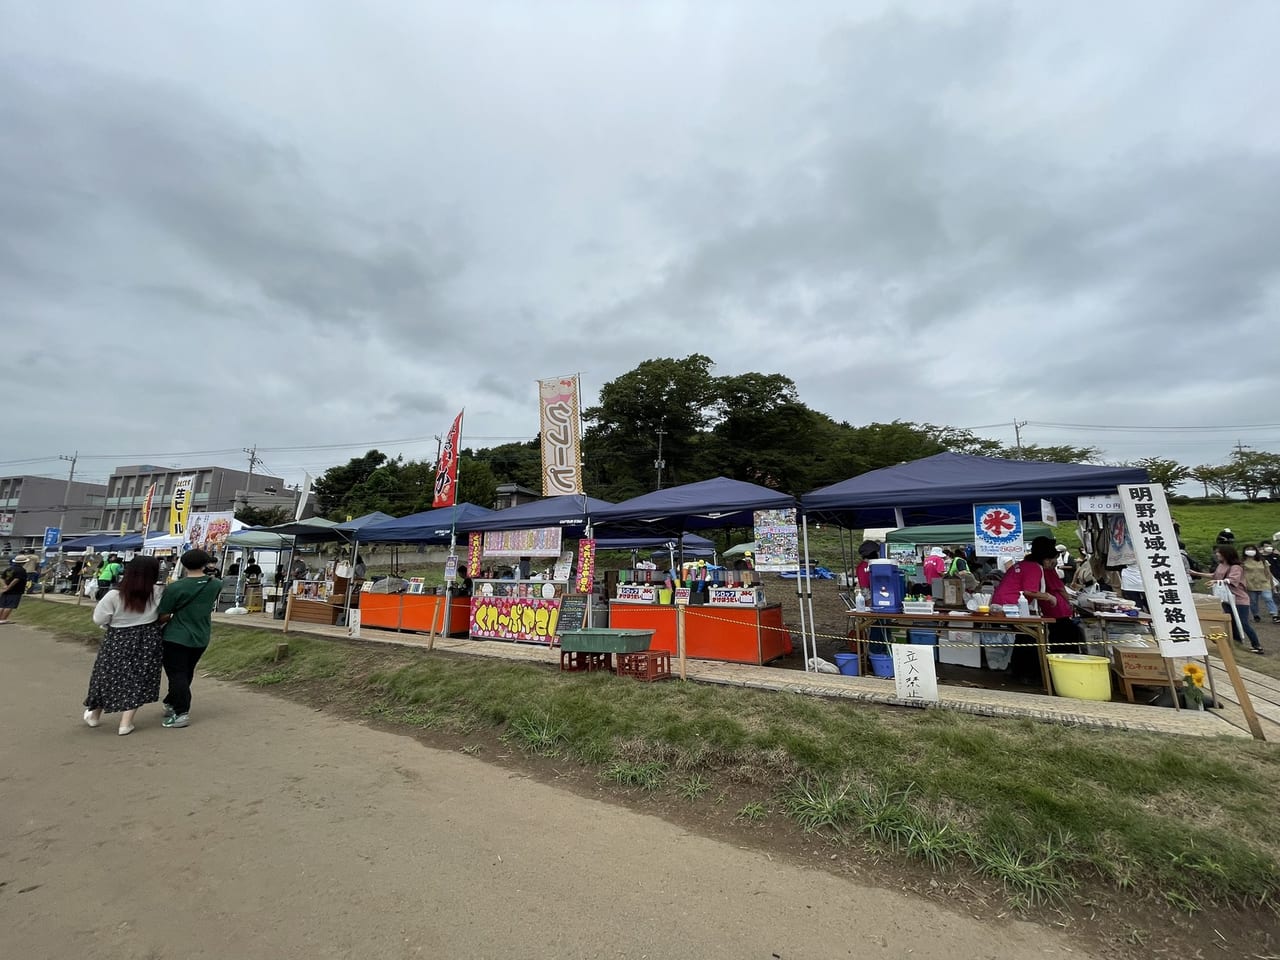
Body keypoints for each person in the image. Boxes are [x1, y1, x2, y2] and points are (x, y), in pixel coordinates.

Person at [83, 556, 165, 736]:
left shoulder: (114, 594)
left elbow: (99, 619)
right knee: (139, 677)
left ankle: (95, 714)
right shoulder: (158, 592)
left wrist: (111, 625)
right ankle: (125, 723)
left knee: (106, 675)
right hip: (148, 637)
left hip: (118, 638)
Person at [991, 536, 1077, 684]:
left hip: (1002, 605)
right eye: (1051, 559)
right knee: (1030, 637)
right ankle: (1028, 675)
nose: (1053, 563)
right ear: (1046, 559)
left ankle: (1017, 671)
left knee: (1025, 636)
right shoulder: (1034, 568)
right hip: (1009, 607)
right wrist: (1049, 597)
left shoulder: (1024, 564)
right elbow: (1029, 591)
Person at [156, 549, 223, 728]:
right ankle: (172, 701)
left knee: (176, 674)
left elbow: (164, 614)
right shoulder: (215, 584)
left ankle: (181, 712)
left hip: (176, 635)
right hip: (201, 635)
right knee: (186, 672)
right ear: (206, 564)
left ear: (183, 565)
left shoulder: (176, 587)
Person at [1191, 545, 1262, 654]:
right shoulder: (1221, 565)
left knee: (1243, 623)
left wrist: (1216, 582)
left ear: (1226, 554)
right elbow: (1214, 576)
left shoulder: (1236, 567)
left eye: (1219, 552)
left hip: (1239, 599)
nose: (1217, 554)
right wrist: (1196, 573)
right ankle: (1237, 643)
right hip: (1226, 598)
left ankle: (1256, 645)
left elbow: (1232, 580)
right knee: (1230, 621)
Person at [1241, 544, 1279, 624]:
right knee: (1253, 601)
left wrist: (1272, 584)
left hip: (1264, 583)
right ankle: (1256, 614)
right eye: (1248, 549)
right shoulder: (1242, 562)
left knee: (1268, 598)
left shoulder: (1262, 561)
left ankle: (1274, 615)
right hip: (1250, 584)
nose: (1251, 551)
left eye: (1252, 549)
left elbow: (1268, 573)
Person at [0, 558, 27, 624]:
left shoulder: (8, 569)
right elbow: (16, 580)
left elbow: (2, 578)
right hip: (16, 590)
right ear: (23, 563)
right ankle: (3, 619)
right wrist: (9, 587)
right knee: (9, 605)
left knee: (2, 605)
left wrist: (4, 586)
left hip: (5, 589)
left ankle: (1, 618)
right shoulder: (22, 570)